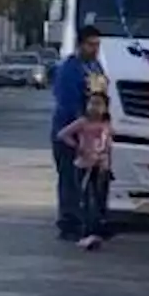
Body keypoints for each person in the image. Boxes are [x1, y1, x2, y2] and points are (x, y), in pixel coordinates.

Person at [52, 25, 105, 241]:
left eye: (97, 45)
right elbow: (67, 103)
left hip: (92, 133)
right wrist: (78, 134)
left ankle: (91, 220)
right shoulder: (69, 68)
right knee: (70, 178)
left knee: (92, 180)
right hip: (70, 132)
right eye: (91, 44)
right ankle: (69, 223)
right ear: (80, 44)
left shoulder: (95, 67)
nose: (95, 49)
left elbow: (101, 96)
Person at [56, 91, 113, 250]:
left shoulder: (106, 125)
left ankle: (98, 230)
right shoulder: (82, 122)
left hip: (100, 166)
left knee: (100, 199)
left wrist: (104, 157)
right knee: (86, 199)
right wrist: (77, 147)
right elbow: (62, 134)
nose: (95, 107)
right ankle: (86, 231)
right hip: (84, 165)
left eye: (99, 104)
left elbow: (107, 143)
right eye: (92, 103)